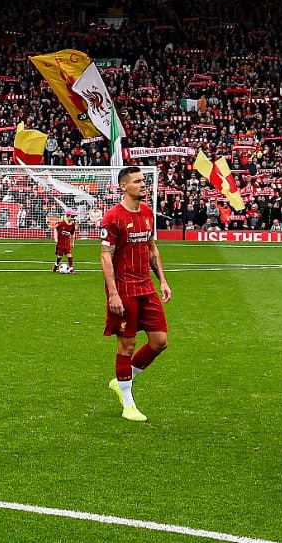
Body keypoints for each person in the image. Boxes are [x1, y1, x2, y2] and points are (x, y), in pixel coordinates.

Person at [101, 166, 171, 422]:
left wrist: (163, 280)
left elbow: (152, 248)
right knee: (126, 345)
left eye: (144, 180)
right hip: (124, 289)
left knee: (159, 342)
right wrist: (113, 294)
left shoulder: (147, 213)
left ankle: (121, 380)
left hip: (146, 287)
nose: (143, 184)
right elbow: (105, 256)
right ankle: (128, 403)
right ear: (123, 186)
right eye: (138, 181)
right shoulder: (113, 217)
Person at [53, 207, 78, 274]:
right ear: (68, 216)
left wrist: (72, 243)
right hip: (60, 242)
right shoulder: (62, 223)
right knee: (59, 256)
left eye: (74, 216)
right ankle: (55, 265)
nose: (73, 218)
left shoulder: (72, 225)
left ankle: (71, 268)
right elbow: (55, 229)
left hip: (67, 242)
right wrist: (55, 238)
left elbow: (72, 234)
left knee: (69, 255)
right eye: (72, 216)